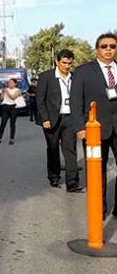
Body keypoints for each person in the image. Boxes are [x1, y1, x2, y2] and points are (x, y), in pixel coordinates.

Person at [71, 33, 117, 220]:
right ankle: (100, 208)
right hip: (94, 129)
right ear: (97, 49)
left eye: (112, 46)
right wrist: (79, 127)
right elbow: (75, 102)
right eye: (104, 46)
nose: (108, 49)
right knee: (97, 172)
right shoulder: (83, 71)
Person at [36, 49, 82, 192]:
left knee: (71, 150)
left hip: (70, 119)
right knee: (53, 148)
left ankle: (72, 182)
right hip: (52, 119)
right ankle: (54, 177)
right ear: (57, 61)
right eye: (64, 63)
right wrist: (45, 118)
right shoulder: (46, 77)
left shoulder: (75, 77)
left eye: (69, 63)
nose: (67, 66)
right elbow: (40, 100)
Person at [0, 78, 21, 145]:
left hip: (13, 107)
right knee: (3, 123)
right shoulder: (5, 90)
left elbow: (13, 97)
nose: (9, 84)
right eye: (9, 82)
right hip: (5, 107)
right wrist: (3, 92)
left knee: (12, 123)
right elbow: (1, 99)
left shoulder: (17, 90)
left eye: (11, 82)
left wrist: (7, 92)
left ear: (15, 83)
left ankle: (12, 139)